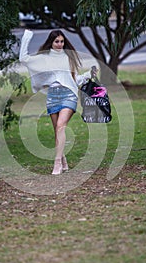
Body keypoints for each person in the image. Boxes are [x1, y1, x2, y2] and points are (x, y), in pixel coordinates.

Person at [19, 29, 95, 175]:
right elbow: (23, 59)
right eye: (57, 42)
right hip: (53, 97)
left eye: (62, 41)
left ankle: (57, 163)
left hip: (69, 95)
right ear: (51, 42)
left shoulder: (69, 57)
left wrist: (87, 76)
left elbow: (74, 80)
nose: (60, 44)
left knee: (61, 127)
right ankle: (64, 162)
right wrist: (27, 36)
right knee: (57, 131)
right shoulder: (44, 58)